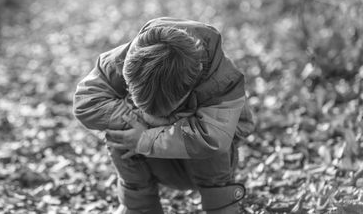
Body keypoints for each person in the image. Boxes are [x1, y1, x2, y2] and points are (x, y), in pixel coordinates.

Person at [73, 17, 255, 214]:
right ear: (127, 71)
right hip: (153, 158)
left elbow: (214, 137)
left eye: (165, 111)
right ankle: (139, 207)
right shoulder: (126, 57)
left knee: (212, 136)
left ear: (196, 76)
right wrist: (137, 120)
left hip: (201, 163)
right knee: (117, 126)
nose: (155, 116)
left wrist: (145, 137)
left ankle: (222, 206)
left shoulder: (223, 80)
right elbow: (86, 101)